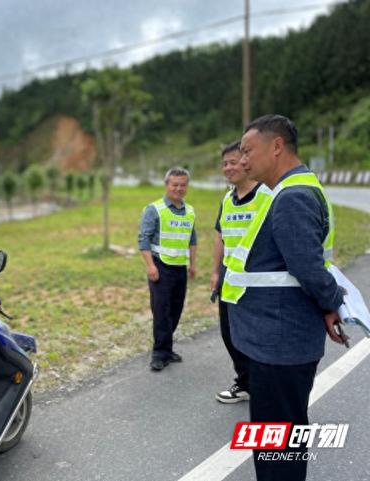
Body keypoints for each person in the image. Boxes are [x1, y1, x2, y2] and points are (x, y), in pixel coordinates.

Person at [222, 115, 346, 481]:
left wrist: (331, 302)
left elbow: (308, 268)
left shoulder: (292, 197)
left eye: (248, 151)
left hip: (279, 341)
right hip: (277, 338)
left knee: (278, 441)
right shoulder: (288, 190)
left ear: (276, 146)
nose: (242, 160)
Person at [211, 141, 270, 403]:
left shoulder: (266, 197)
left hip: (260, 283)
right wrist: (215, 272)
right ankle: (245, 382)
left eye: (233, 162)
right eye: (224, 164)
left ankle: (263, 385)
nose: (228, 168)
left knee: (259, 337)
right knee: (230, 334)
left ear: (246, 162)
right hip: (230, 279)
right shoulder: (227, 199)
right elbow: (220, 236)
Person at [138, 167, 197, 372]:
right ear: (167, 185)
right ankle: (159, 353)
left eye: (183, 185)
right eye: (175, 185)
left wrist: (193, 265)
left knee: (175, 310)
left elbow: (192, 239)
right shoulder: (154, 210)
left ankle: (167, 348)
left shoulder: (189, 211)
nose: (179, 188)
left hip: (180, 267)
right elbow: (143, 239)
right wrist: (150, 266)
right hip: (160, 267)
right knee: (161, 311)